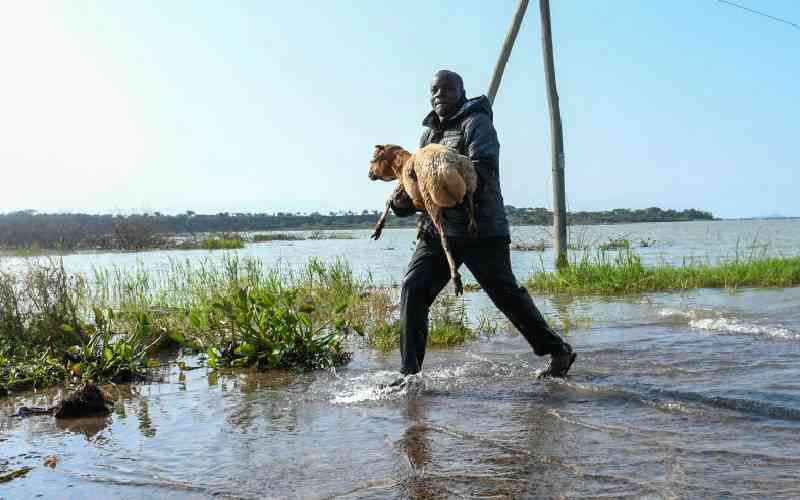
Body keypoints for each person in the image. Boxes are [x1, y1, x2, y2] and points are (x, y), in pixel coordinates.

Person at [387, 69, 576, 386]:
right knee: (413, 288)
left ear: (461, 92)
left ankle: (558, 351)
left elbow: (483, 170)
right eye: (435, 90)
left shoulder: (477, 124)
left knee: (507, 297)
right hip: (440, 234)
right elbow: (418, 184)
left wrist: (446, 177)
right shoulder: (427, 137)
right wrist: (403, 199)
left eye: (448, 89)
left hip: (481, 230)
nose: (440, 95)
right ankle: (409, 375)